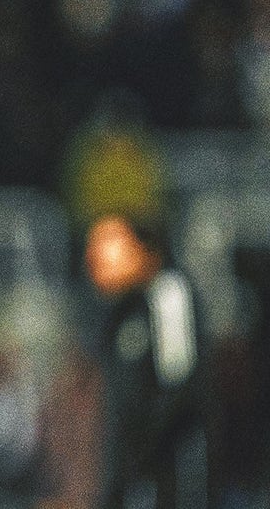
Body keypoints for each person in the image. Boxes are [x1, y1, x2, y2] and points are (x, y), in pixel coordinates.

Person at [83, 213, 207, 509]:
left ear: (143, 248)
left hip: (163, 466)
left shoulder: (169, 294)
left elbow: (179, 389)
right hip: (128, 465)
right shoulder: (121, 308)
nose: (94, 257)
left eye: (108, 244)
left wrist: (142, 455)